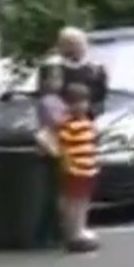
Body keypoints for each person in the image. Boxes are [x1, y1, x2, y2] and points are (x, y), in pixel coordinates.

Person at [57, 83, 99, 253]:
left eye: (83, 102)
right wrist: (68, 165)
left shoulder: (88, 123)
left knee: (83, 202)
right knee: (73, 203)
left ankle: (80, 229)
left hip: (88, 169)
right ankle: (74, 233)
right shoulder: (68, 124)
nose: (80, 106)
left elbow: (92, 144)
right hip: (75, 170)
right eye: (74, 102)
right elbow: (63, 148)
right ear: (67, 105)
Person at [34, 65, 66, 247]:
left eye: (59, 78)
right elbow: (56, 122)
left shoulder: (57, 100)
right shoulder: (47, 101)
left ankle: (51, 230)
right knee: (54, 192)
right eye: (53, 79)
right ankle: (50, 231)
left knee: (56, 191)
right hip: (51, 148)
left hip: (58, 147)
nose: (57, 83)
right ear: (44, 81)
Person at [44, 27, 108, 118]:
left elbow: (100, 100)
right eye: (69, 44)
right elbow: (47, 98)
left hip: (87, 120)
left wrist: (86, 113)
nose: (74, 49)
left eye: (78, 44)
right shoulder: (52, 67)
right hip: (58, 120)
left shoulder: (95, 70)